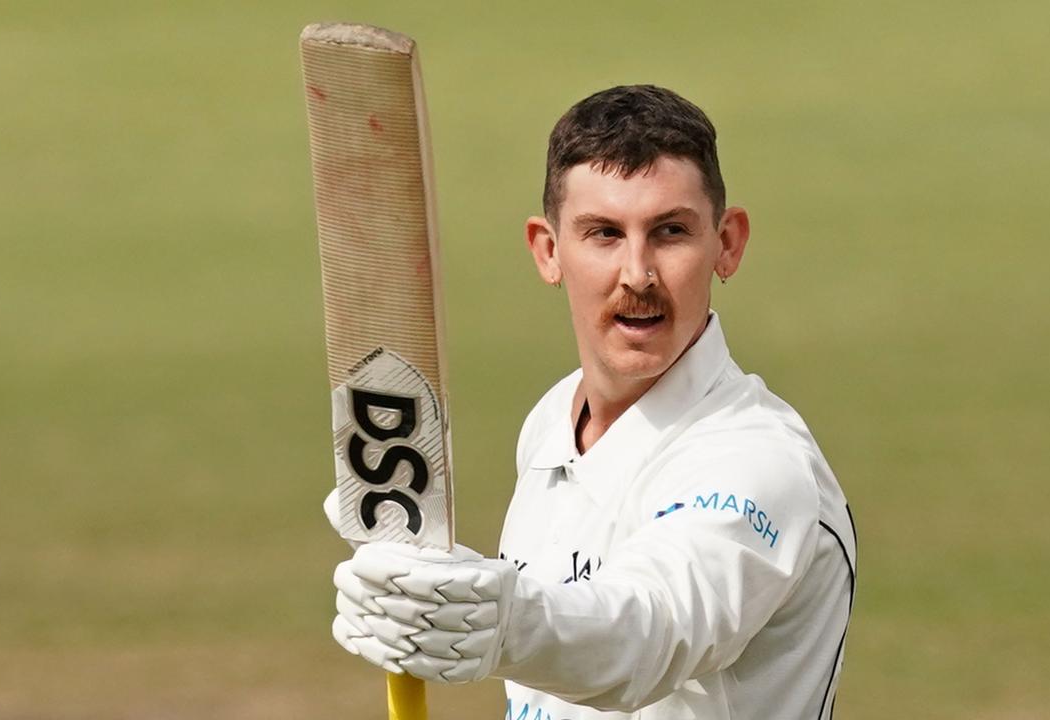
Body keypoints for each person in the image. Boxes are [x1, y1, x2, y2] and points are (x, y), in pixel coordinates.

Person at [329, 84, 857, 719]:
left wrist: (500, 621)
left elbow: (647, 633)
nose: (638, 272)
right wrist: (428, 578)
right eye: (604, 233)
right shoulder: (553, 421)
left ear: (728, 243)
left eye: (670, 231)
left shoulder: (760, 464)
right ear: (549, 252)